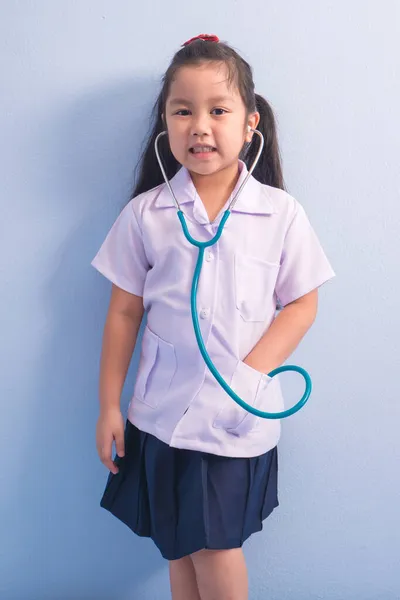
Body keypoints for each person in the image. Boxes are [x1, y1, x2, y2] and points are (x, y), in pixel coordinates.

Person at [91, 33, 335, 600]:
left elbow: (303, 303)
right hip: (161, 414)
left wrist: (247, 377)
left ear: (250, 124)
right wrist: (108, 404)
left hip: (234, 419)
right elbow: (123, 313)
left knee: (217, 547)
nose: (199, 125)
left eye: (218, 111)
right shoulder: (146, 215)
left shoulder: (280, 213)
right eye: (183, 111)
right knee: (180, 545)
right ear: (166, 126)